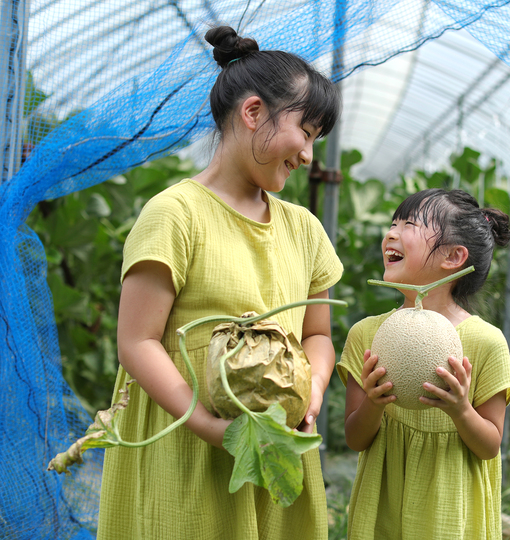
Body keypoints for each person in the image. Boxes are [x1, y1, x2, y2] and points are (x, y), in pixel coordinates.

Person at [97, 26, 343, 539]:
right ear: (253, 113)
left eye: (318, 141)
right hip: (188, 446)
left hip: (274, 444)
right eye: (307, 132)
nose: (308, 156)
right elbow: (137, 341)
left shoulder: (305, 229)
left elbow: (317, 335)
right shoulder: (175, 214)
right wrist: (209, 425)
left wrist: (311, 394)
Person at [337, 188, 510, 539]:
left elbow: (490, 444)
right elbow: (354, 438)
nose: (391, 232)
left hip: (450, 516)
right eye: (392, 223)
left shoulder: (485, 343)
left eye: (409, 224)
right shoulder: (367, 334)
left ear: (453, 257)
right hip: (384, 512)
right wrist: (373, 405)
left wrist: (461, 410)